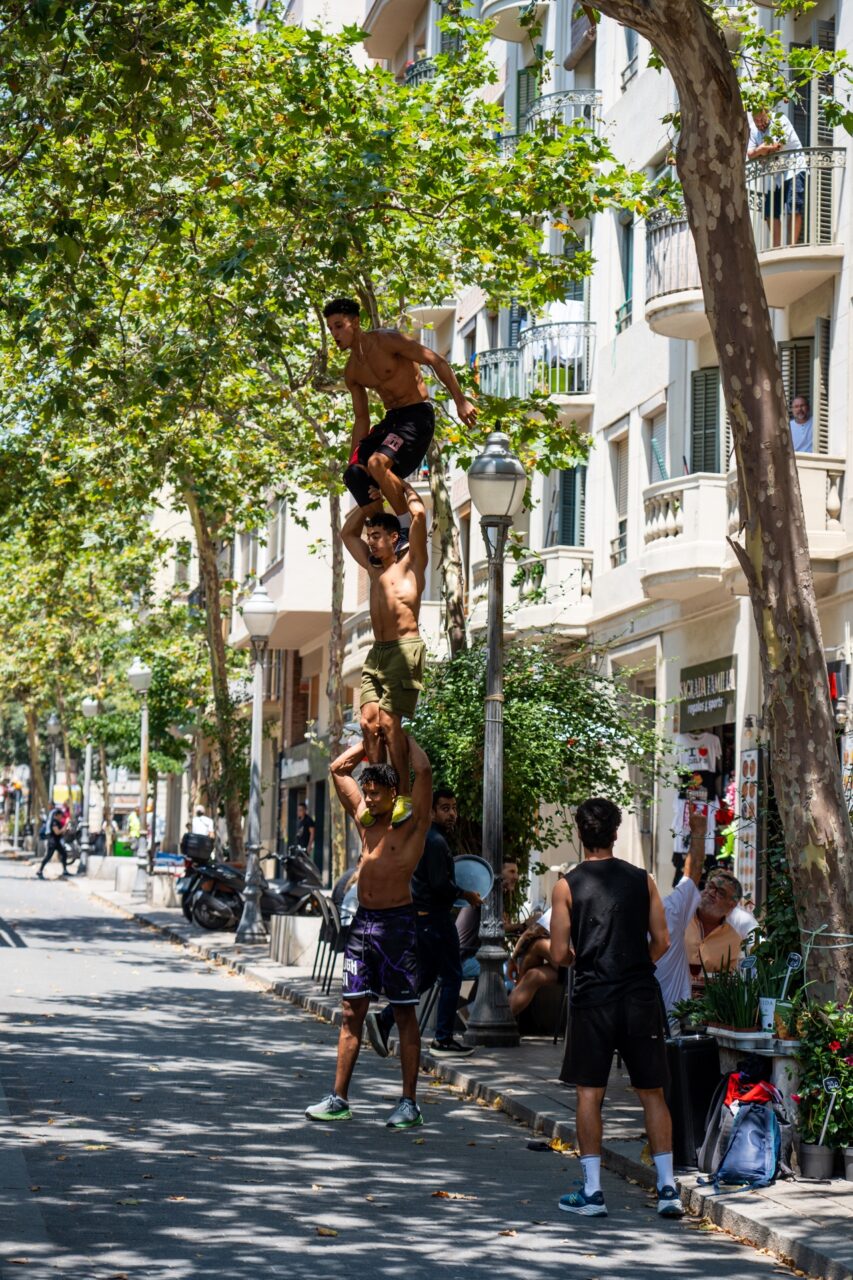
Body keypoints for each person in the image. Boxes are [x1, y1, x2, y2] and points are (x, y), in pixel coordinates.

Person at [550, 798, 684, 1220]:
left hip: (593, 999)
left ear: (580, 832)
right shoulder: (643, 880)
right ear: (614, 832)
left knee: (590, 1093)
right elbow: (662, 940)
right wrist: (634, 962)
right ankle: (667, 1189)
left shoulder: (566, 886)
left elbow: (558, 953)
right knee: (652, 1092)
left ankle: (592, 1193)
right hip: (639, 995)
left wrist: (583, 958)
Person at [305, 730, 432, 1129]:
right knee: (350, 1011)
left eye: (378, 793)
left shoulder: (412, 827)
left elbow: (423, 770)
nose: (371, 798)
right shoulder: (366, 825)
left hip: (397, 928)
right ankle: (339, 1098)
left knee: (403, 1013)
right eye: (368, 792)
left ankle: (409, 1103)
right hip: (363, 925)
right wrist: (369, 740)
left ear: (395, 796)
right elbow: (337, 769)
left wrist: (400, 735)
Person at [324, 297, 477, 551]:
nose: (335, 334)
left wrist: (460, 402)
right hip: (392, 421)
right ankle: (383, 531)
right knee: (354, 474)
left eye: (339, 326)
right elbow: (362, 418)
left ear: (356, 322)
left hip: (417, 416)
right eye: (331, 329)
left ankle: (404, 529)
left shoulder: (388, 340)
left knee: (376, 463)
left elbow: (436, 360)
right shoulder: (352, 371)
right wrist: (356, 461)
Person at [364, 788, 481, 1060]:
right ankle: (442, 1039)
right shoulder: (436, 841)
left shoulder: (423, 838)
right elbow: (440, 886)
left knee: (425, 977)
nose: (452, 814)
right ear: (430, 811)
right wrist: (466, 894)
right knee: (452, 976)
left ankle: (384, 1020)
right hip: (436, 921)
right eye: (445, 808)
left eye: (454, 808)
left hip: (422, 921)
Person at [341, 480, 428, 828]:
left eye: (377, 535)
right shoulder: (372, 568)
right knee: (367, 723)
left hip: (404, 651)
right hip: (376, 653)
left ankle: (402, 794)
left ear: (394, 538)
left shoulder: (411, 565)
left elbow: (419, 513)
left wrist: (400, 483)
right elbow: (347, 534)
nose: (371, 540)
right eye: (371, 535)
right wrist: (367, 504)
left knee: (391, 725)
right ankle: (375, 788)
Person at [654, 806, 709, 1025]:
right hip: (673, 1020)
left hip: (633, 1021)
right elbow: (693, 872)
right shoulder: (669, 912)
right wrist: (699, 832)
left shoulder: (669, 912)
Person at [747, 107, 805, 247]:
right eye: (756, 121)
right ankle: (777, 246)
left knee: (794, 206)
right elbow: (749, 154)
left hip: (794, 167)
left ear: (766, 112)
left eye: (761, 120)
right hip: (776, 175)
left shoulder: (779, 119)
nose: (759, 124)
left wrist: (760, 151)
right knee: (769, 211)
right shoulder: (754, 130)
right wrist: (761, 150)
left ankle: (791, 247)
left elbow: (776, 145)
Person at [456, 857, 522, 979]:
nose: (516, 877)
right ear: (498, 873)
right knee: (508, 973)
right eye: (511, 872)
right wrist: (525, 925)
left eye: (516, 872)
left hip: (472, 955)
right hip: (464, 959)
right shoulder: (486, 893)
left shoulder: (493, 894)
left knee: (511, 968)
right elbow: (499, 927)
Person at [507, 908, 559, 1018]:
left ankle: (503, 1017)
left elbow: (532, 932)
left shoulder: (567, 896)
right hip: (582, 970)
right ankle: (501, 1018)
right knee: (533, 976)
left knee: (535, 944)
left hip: (575, 965)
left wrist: (513, 959)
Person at [37, 802, 69, 879]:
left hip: (57, 842)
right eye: (61, 816)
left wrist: (65, 829)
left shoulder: (58, 822)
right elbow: (57, 832)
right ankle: (40, 870)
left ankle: (64, 870)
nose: (61, 817)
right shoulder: (54, 822)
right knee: (48, 856)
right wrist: (64, 828)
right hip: (52, 842)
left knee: (64, 854)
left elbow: (60, 832)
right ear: (57, 815)